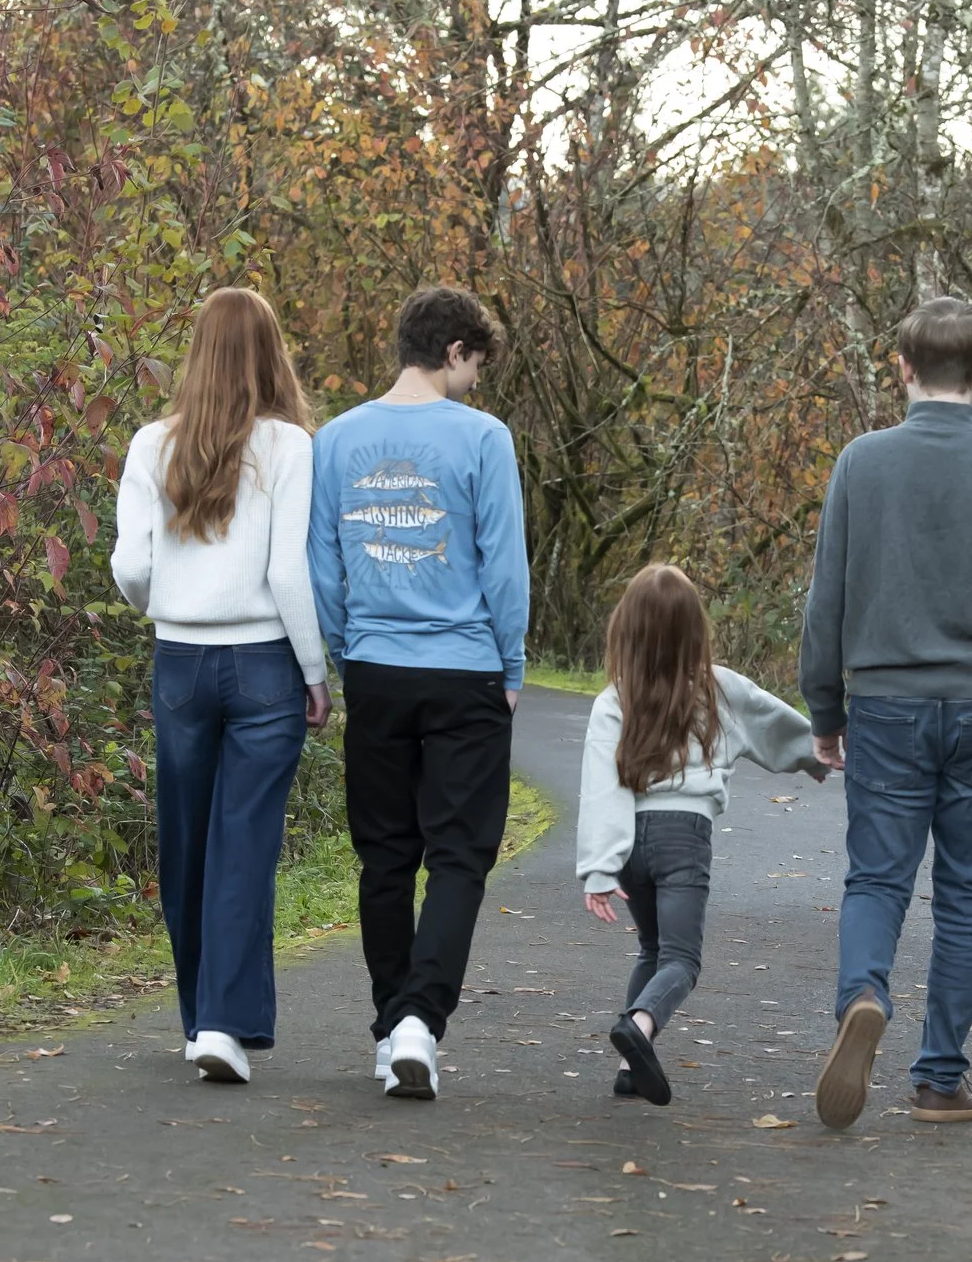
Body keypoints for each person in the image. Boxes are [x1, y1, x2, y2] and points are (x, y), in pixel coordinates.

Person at [798, 295, 972, 1130]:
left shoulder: (861, 464)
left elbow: (827, 602)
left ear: (903, 369)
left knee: (877, 876)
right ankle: (940, 1080)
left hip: (885, 704)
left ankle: (863, 994)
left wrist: (824, 708)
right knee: (967, 896)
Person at [308, 285, 529, 1102]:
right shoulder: (484, 438)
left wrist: (343, 653)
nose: (477, 384)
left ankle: (387, 1024)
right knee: (461, 854)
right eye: (477, 367)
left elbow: (322, 564)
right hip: (464, 666)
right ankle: (417, 1023)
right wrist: (511, 666)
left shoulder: (336, 439)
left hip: (374, 668)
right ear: (457, 352)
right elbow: (504, 565)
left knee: (386, 854)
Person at [112, 288, 331, 1084]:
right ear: (271, 354)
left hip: (179, 661)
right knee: (244, 845)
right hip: (266, 663)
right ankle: (223, 1026)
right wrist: (315, 671)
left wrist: (163, 604)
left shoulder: (150, 445)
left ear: (198, 352)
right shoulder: (289, 447)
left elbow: (132, 566)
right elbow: (286, 570)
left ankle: (199, 1017)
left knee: (186, 844)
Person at [577, 565, 827, 1105]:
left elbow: (601, 787)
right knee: (682, 960)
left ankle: (629, 1065)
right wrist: (820, 754)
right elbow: (777, 726)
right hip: (683, 836)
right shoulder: (718, 689)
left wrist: (601, 865)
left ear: (627, 630)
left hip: (631, 846)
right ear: (695, 629)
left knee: (652, 946)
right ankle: (638, 1026)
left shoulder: (613, 700)